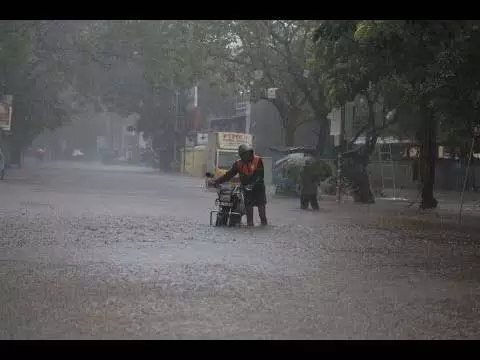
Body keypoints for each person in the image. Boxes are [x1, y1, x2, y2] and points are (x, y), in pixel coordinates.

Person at [209, 144, 268, 226]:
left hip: (259, 188)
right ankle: (250, 226)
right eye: (243, 155)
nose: (246, 156)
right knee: (249, 213)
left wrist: (252, 184)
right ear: (241, 156)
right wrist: (217, 182)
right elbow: (228, 175)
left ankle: (264, 225)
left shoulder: (258, 160)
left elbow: (260, 175)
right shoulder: (238, 164)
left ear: (250, 153)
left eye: (247, 154)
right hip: (247, 190)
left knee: (262, 212)